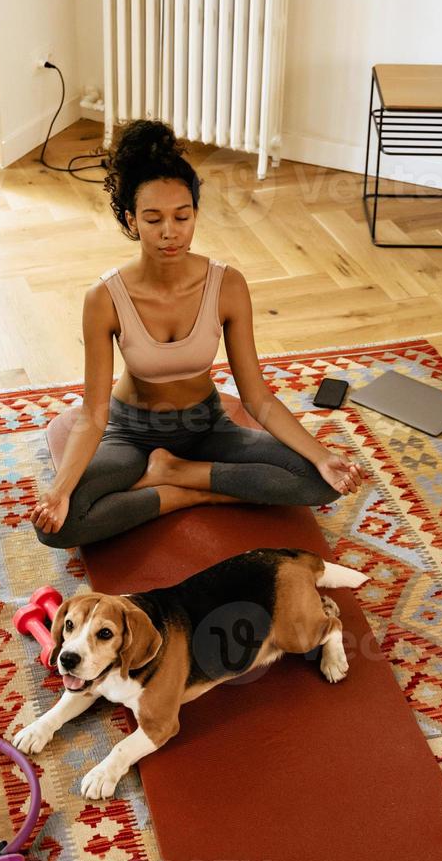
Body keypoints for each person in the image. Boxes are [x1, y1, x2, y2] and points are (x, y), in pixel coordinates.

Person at [31, 119, 364, 548]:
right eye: (153, 219)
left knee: (321, 482)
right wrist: (59, 492)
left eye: (182, 216)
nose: (170, 232)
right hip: (131, 432)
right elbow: (94, 413)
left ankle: (177, 476)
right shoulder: (105, 298)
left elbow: (257, 397)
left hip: (205, 427)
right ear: (132, 221)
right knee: (59, 525)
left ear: (195, 215)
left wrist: (323, 456)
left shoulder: (227, 285)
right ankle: (178, 495)